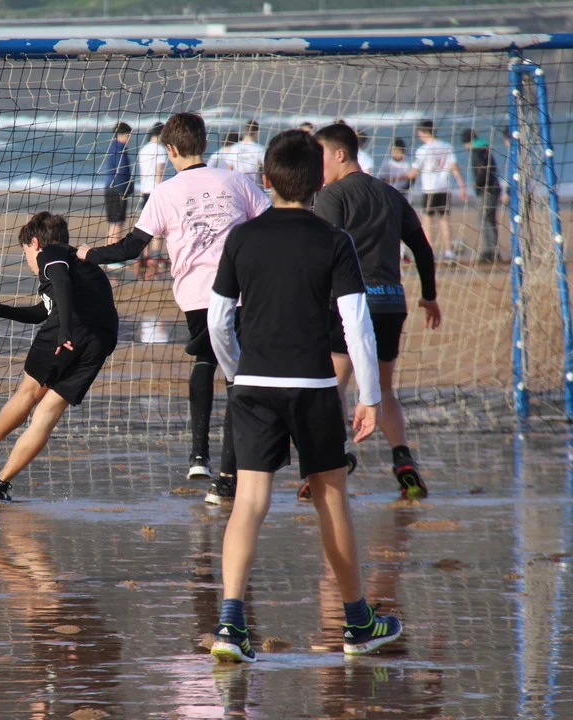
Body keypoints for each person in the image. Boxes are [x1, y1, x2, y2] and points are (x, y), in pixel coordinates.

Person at [206, 129, 403, 663]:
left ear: (265, 180)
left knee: (249, 501)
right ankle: (358, 623)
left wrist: (237, 373)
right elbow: (356, 324)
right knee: (331, 498)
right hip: (314, 386)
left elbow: (219, 320)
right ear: (320, 183)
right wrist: (368, 395)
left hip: (255, 385)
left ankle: (230, 625)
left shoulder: (241, 238)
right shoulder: (333, 240)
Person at [77, 112, 269, 502]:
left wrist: (88, 253)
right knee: (237, 377)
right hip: (241, 293)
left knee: (205, 361)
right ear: (204, 143)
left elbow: (131, 248)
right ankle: (227, 476)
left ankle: (199, 455)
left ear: (171, 150)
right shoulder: (236, 181)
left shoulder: (165, 192)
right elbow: (270, 225)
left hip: (198, 296)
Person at [309, 122, 440, 500]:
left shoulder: (331, 195)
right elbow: (422, 248)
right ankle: (403, 459)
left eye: (319, 157)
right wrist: (429, 296)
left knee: (335, 384)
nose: (316, 167)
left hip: (348, 305)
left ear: (339, 154)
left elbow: (324, 251)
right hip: (390, 304)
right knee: (384, 388)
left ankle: (333, 460)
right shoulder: (390, 193)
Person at [0, 212, 118, 504]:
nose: (28, 261)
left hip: (68, 332)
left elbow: (59, 282)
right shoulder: (82, 266)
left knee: (28, 393)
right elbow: (43, 311)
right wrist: (0, 309)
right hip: (101, 341)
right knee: (46, 416)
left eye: (25, 252)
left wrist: (65, 331)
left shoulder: (52, 254)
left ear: (35, 243)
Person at [406, 120, 467, 262]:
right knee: (444, 220)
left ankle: (430, 252)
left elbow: (414, 172)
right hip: (444, 188)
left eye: (419, 133)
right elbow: (454, 167)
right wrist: (462, 186)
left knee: (427, 221)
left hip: (430, 189)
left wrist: (399, 177)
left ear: (424, 132)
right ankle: (448, 252)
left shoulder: (423, 150)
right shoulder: (447, 146)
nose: (419, 136)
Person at [461, 129, 501, 264]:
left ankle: (489, 251)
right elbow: (492, 168)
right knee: (490, 219)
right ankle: (492, 250)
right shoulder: (485, 148)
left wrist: (476, 185)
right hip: (494, 188)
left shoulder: (476, 151)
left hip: (486, 190)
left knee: (484, 219)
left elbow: (482, 171)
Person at [135, 121, 169, 276]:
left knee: (145, 226)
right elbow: (159, 173)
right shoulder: (160, 149)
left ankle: (143, 256)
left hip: (144, 190)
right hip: (155, 191)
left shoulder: (144, 149)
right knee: (158, 228)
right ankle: (154, 258)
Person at [101, 121, 133, 245]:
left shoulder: (115, 147)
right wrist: (127, 189)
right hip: (117, 190)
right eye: (128, 135)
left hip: (112, 188)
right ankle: (112, 254)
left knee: (113, 224)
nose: (129, 138)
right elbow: (121, 172)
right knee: (117, 224)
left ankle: (108, 251)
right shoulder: (119, 149)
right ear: (120, 135)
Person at [223, 119, 264, 187]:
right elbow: (265, 171)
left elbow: (229, 169)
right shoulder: (260, 149)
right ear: (256, 132)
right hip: (255, 187)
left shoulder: (234, 148)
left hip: (238, 186)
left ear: (245, 131)